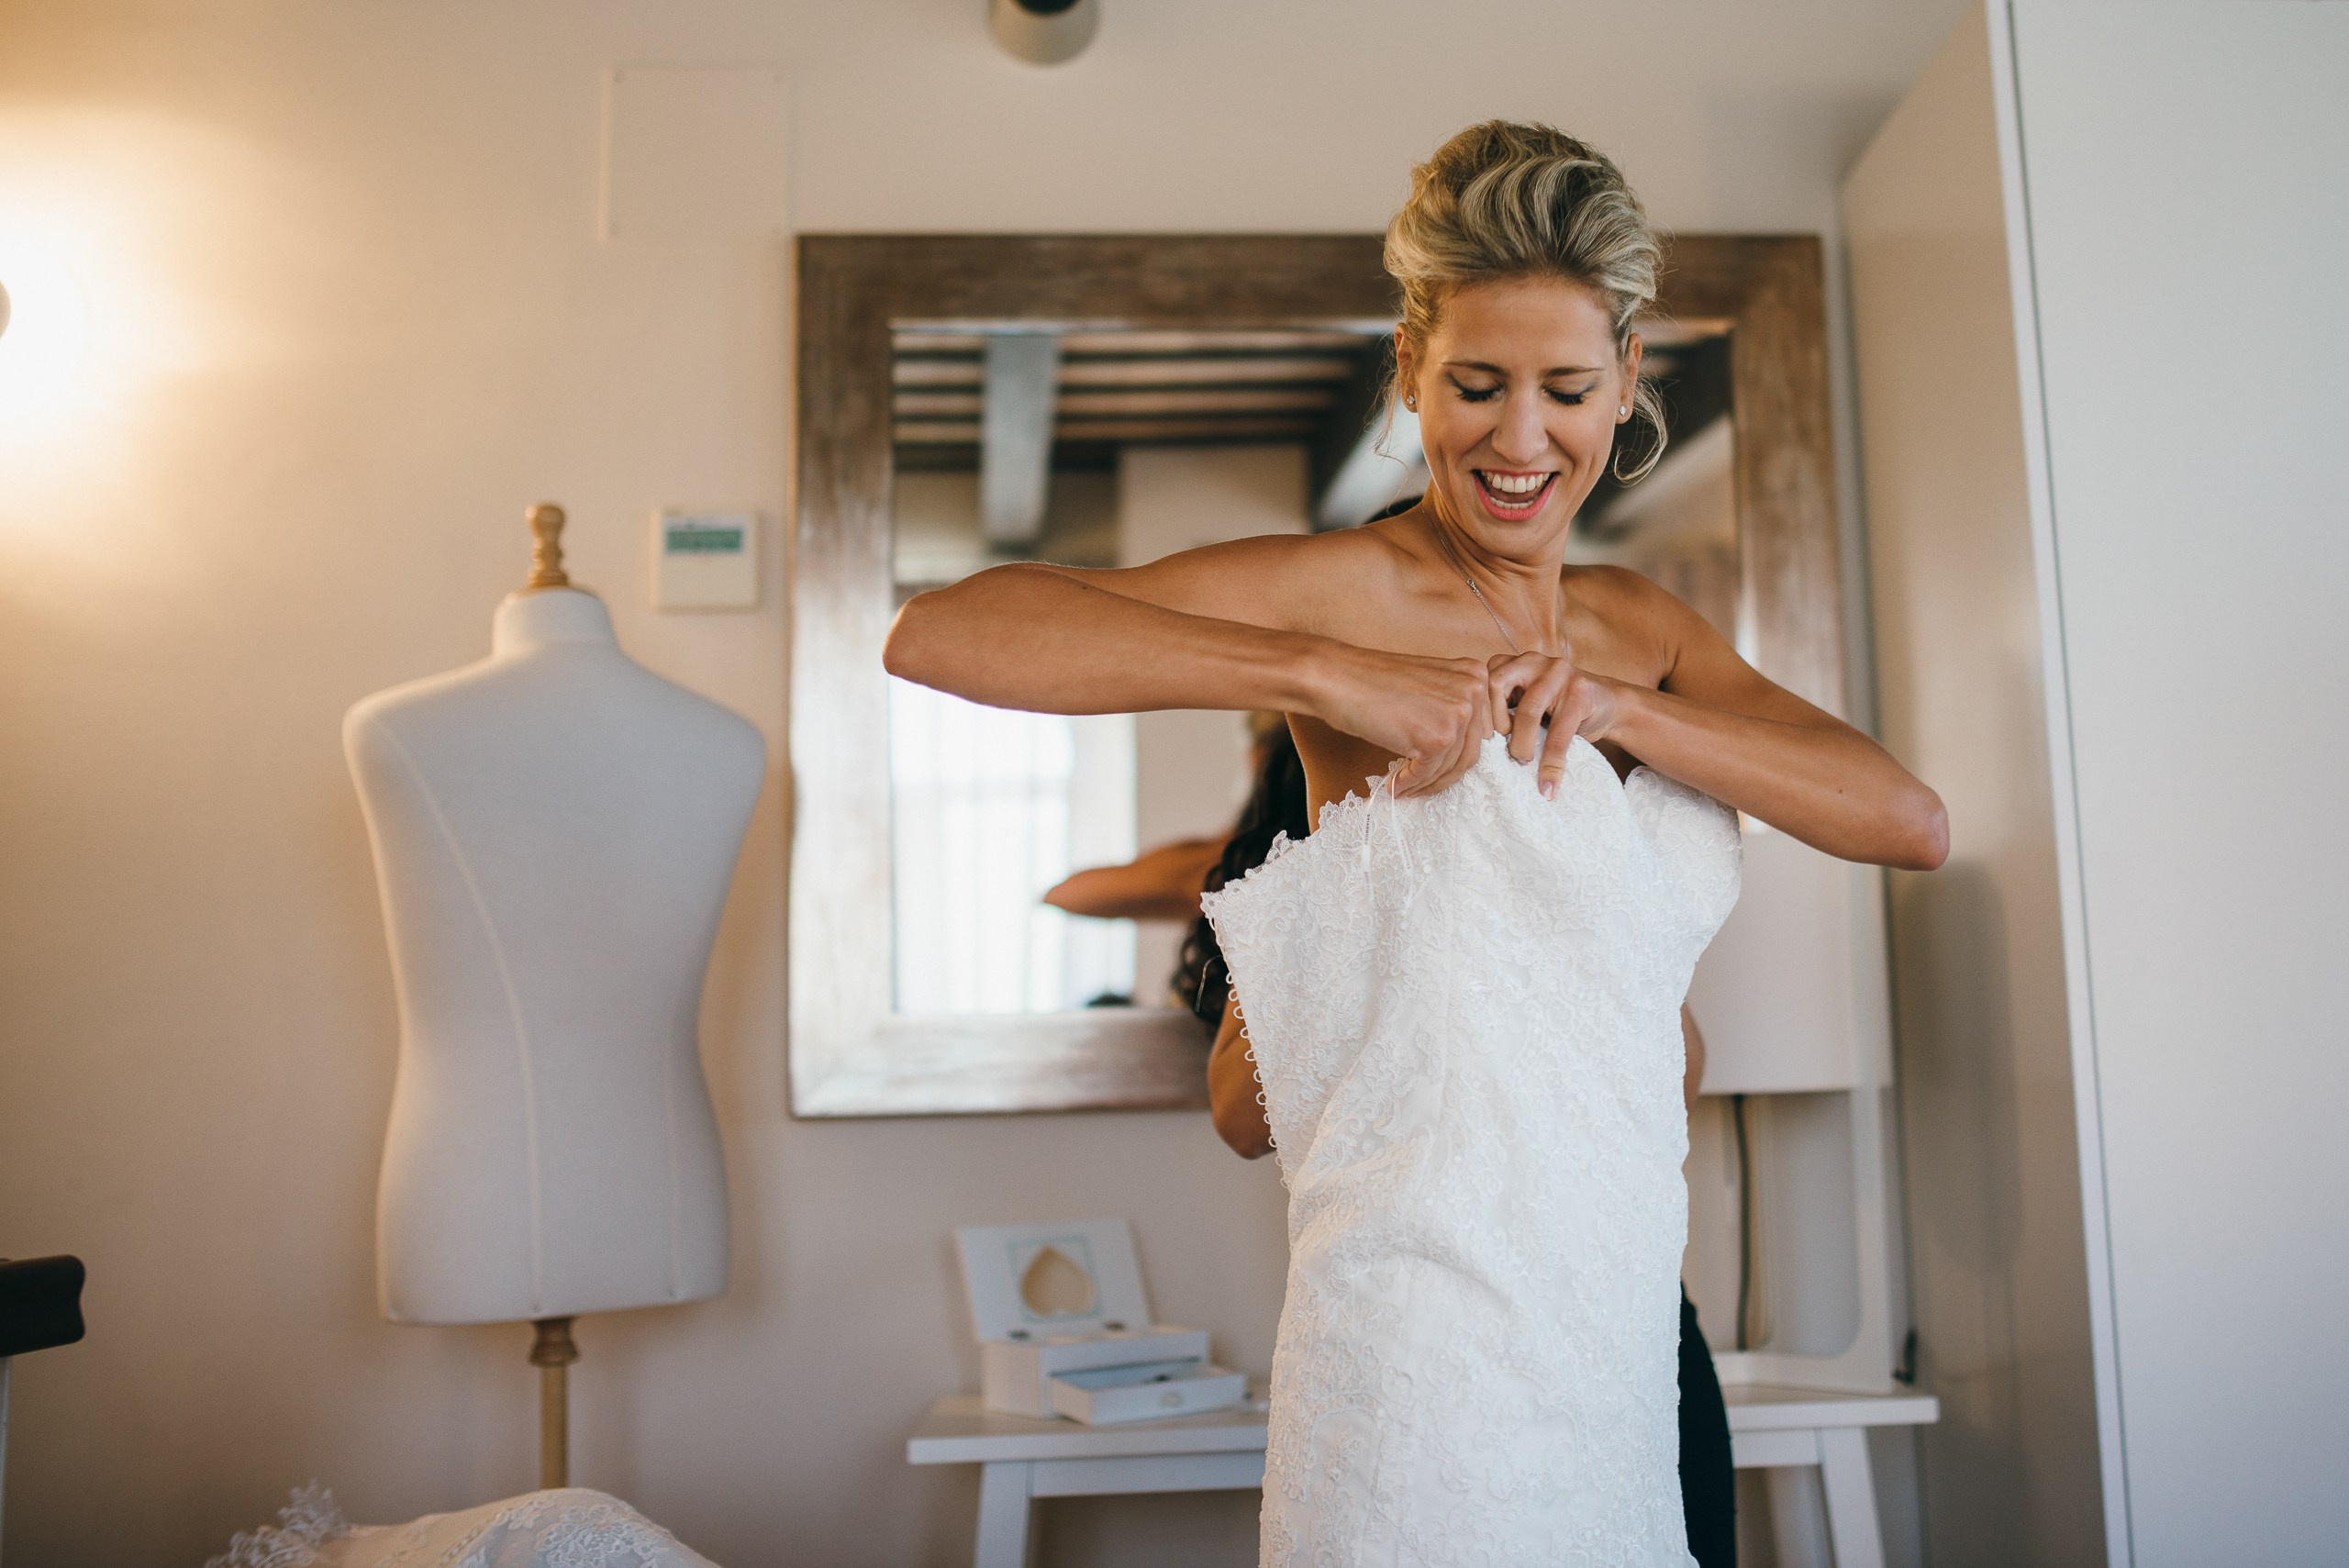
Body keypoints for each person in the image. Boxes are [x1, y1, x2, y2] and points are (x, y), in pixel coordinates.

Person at [886, 120, 1943, 1566]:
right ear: (1408, 374)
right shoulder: (1349, 590)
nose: (1521, 440)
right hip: (1420, 1337)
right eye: (1475, 385)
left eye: (1569, 388)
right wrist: (1326, 675)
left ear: (1629, 380)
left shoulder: (1646, 629)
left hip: (1624, 1328)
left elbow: (1907, 818)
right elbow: (942, 630)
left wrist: (1630, 704)